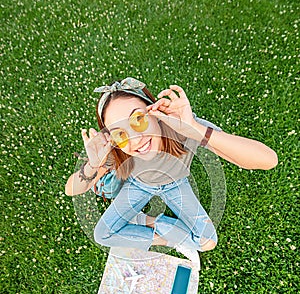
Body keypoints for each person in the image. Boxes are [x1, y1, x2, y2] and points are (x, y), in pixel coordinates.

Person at [65, 77, 278, 268]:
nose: (135, 140)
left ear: (154, 111)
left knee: (208, 242)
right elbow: (71, 190)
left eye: (138, 120)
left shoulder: (182, 129)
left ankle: (144, 220)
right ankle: (156, 226)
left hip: (176, 185)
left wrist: (196, 128)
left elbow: (268, 160)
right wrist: (93, 166)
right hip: (138, 186)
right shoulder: (116, 150)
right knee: (102, 234)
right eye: (120, 133)